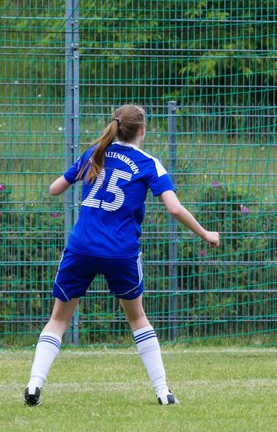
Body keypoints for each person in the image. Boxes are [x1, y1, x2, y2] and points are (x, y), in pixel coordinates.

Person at [23, 104, 220, 406]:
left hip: (82, 247)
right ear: (142, 129)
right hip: (120, 253)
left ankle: (34, 386)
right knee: (138, 318)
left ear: (115, 127)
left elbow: (54, 189)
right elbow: (174, 208)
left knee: (59, 319)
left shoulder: (95, 153)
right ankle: (163, 391)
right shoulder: (148, 163)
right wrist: (206, 234)